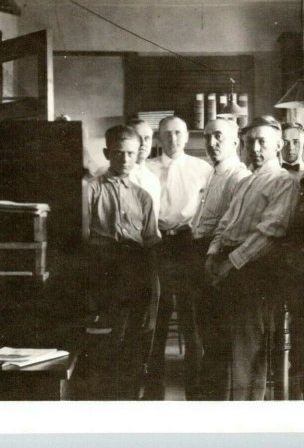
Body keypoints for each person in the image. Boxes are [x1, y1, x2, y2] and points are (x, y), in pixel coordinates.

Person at [205, 116, 300, 400]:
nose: (255, 148)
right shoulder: (246, 182)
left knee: (247, 353)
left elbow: (270, 232)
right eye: (250, 142)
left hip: (252, 272)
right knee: (220, 350)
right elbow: (226, 222)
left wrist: (229, 263)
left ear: (278, 146)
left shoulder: (284, 182)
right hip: (225, 264)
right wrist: (212, 254)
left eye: (262, 142)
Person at [83, 124, 161, 400]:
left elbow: (152, 242)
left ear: (137, 152)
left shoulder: (143, 196)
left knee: (136, 336)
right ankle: (105, 398)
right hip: (103, 268)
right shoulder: (90, 191)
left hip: (137, 268)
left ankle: (130, 396)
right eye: (118, 153)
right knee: (106, 337)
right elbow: (83, 239)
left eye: (130, 153)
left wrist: (152, 287)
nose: (125, 160)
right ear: (107, 153)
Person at [145, 115, 212, 400]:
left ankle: (195, 388)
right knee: (156, 314)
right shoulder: (146, 168)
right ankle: (153, 388)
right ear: (158, 139)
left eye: (178, 133)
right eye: (167, 134)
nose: (173, 139)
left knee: (191, 315)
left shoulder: (202, 169)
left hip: (188, 245)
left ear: (186, 137)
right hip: (156, 243)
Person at [190, 118, 251, 400]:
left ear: (236, 142)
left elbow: (231, 226)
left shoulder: (237, 176)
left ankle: (218, 405)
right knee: (209, 337)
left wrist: (214, 259)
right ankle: (211, 399)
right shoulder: (215, 173)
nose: (211, 143)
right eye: (207, 137)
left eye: (218, 137)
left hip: (219, 258)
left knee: (219, 340)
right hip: (204, 254)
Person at [93, 119, 161, 222]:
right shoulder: (104, 174)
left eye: (147, 138)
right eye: (138, 138)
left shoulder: (153, 179)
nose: (143, 143)